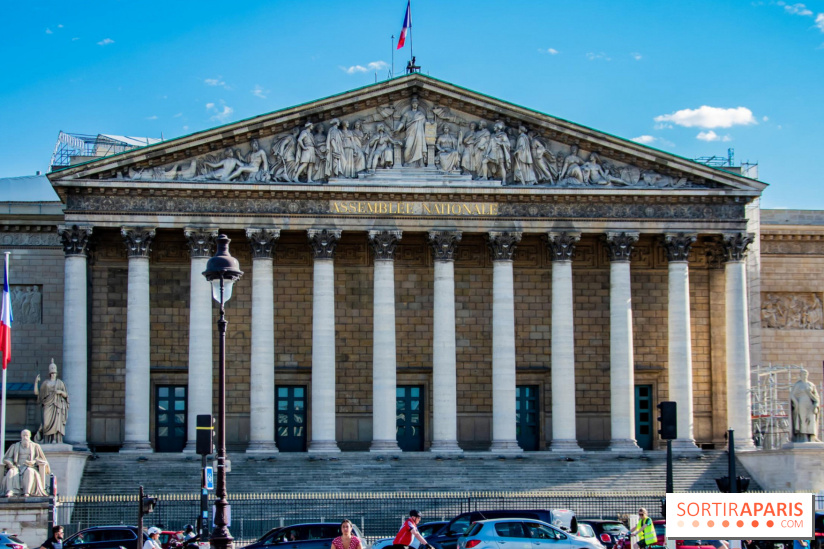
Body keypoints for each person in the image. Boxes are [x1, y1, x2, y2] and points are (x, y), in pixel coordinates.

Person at [0, 429, 50, 497]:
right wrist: (10, 463)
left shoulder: (35, 446)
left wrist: (33, 462)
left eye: (26, 435)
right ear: (21, 436)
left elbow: (42, 459)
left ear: (29, 436)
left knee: (29, 472)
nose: (25, 437)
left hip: (30, 466)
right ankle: (11, 491)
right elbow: (7, 458)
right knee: (11, 472)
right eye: (23, 435)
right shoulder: (15, 446)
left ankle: (27, 492)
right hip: (17, 466)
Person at [34, 359, 70, 444]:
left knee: (57, 423)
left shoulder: (60, 383)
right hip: (47, 404)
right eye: (52, 373)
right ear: (49, 374)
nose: (53, 375)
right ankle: (47, 440)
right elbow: (37, 393)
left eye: (54, 373)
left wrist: (60, 392)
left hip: (57, 405)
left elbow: (66, 395)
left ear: (56, 374)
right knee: (46, 423)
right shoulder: (45, 383)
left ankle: (55, 439)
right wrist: (36, 382)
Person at [791, 369, 821, 442]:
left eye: (806, 374)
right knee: (803, 419)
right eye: (803, 374)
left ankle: (812, 437)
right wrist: (796, 403)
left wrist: (816, 404)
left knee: (811, 419)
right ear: (800, 375)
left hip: (810, 403)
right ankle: (803, 436)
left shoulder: (811, 384)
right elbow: (792, 395)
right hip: (801, 402)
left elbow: (816, 396)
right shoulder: (798, 384)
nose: (805, 376)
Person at [397, 96, 427, 167]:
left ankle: (419, 163)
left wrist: (432, 123)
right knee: (408, 146)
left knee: (419, 148)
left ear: (417, 104)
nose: (415, 104)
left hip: (419, 134)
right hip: (410, 133)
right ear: (411, 104)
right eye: (413, 103)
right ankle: (408, 162)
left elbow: (426, 124)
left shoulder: (421, 114)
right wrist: (397, 129)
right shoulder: (407, 113)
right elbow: (402, 122)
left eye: (416, 103)